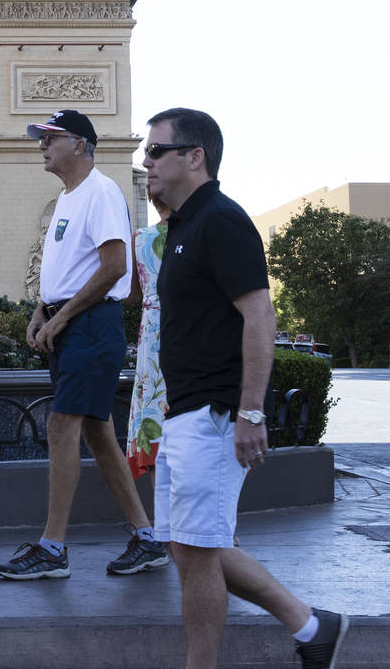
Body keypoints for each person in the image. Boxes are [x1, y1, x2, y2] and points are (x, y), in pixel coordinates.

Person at [143, 108, 347, 669]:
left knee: (200, 552)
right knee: (190, 547)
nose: (145, 161)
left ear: (195, 156)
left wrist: (251, 412)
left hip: (214, 415)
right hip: (186, 410)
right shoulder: (186, 225)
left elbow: (259, 314)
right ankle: (311, 626)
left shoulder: (222, 221)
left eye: (157, 150)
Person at [0, 109, 168, 580]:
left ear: (80, 144)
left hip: (91, 326)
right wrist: (41, 311)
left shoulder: (102, 192)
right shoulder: (69, 199)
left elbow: (115, 267)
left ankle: (52, 548)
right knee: (97, 433)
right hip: (71, 323)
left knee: (62, 424)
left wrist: (64, 315)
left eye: (50, 137)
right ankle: (146, 538)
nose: (41, 146)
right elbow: (66, 273)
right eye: (41, 138)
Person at [126, 195, 173, 480]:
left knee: (152, 403)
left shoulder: (140, 238)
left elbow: (131, 295)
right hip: (182, 325)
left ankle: (160, 518)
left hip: (150, 330)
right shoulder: (191, 235)